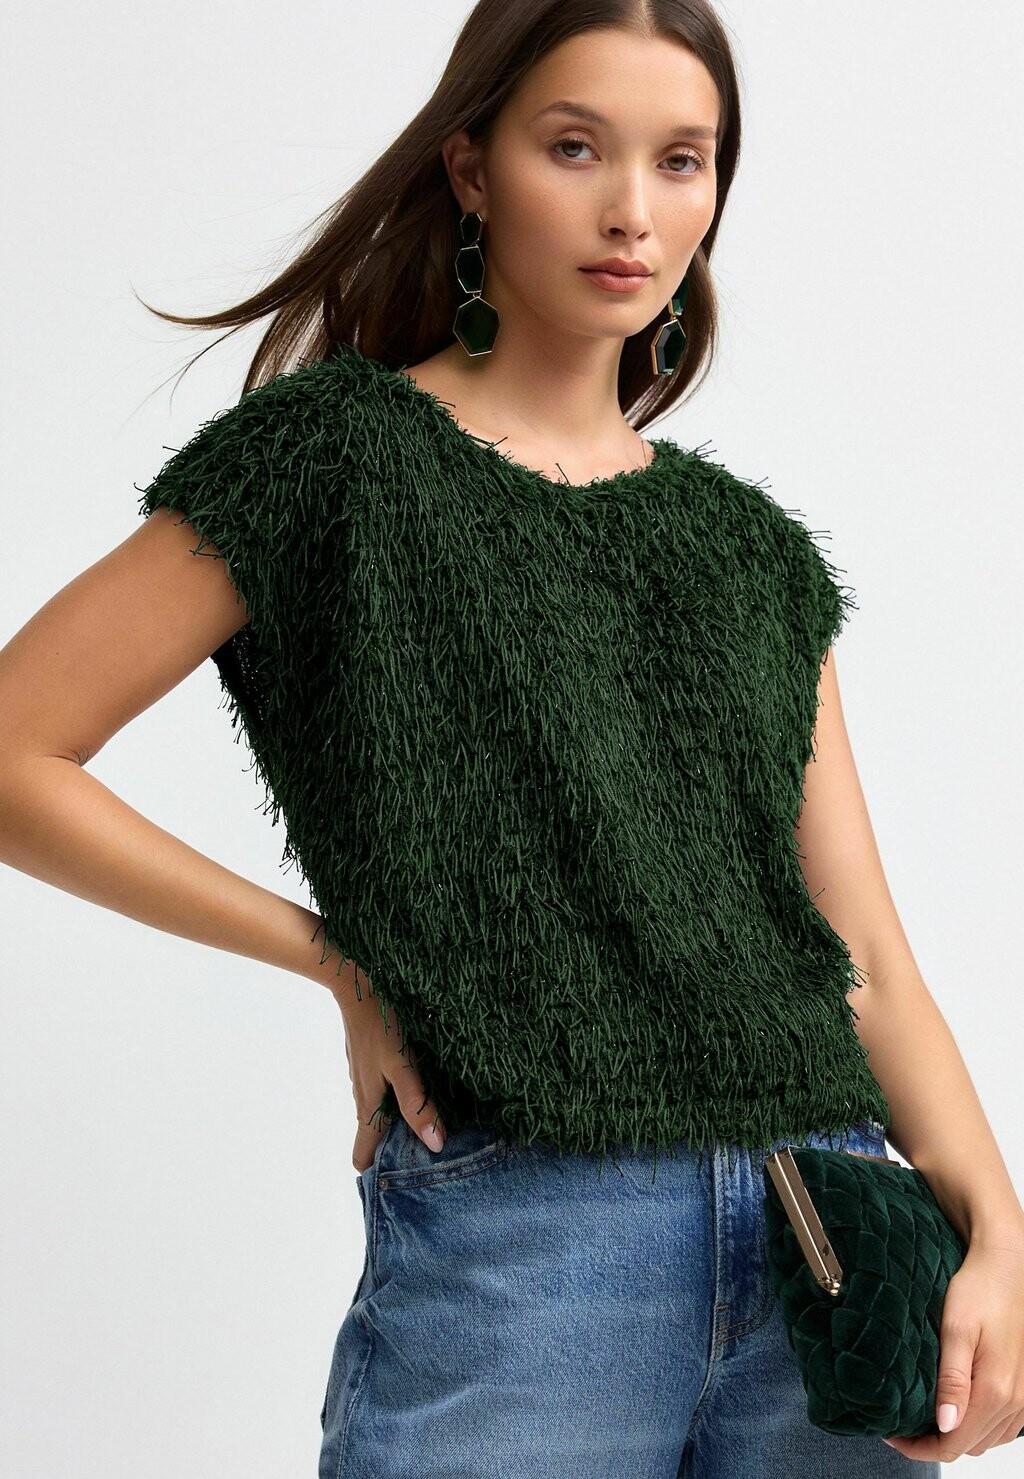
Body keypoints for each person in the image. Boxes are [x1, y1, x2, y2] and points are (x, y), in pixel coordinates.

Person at [2, 2, 1022, 1474]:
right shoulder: (331, 461)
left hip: (828, 1240)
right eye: (575, 148)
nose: (633, 211)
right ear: (472, 170)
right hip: (534, 1240)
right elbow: (17, 752)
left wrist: (996, 1224)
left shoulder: (748, 551)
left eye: (683, 161)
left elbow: (857, 945)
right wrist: (338, 956)